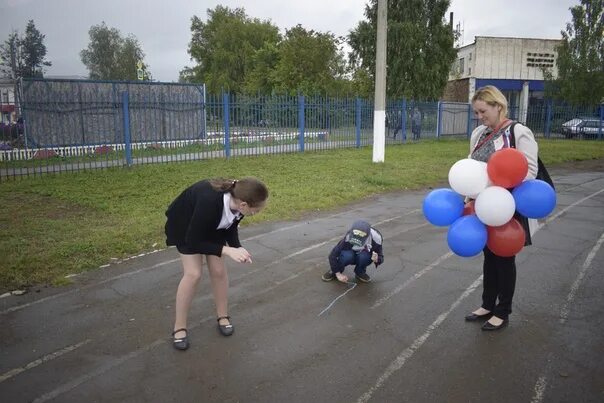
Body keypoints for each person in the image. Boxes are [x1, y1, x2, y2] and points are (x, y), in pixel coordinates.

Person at [465, 85, 538, 331]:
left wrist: (500, 184)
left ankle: (502, 311)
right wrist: (469, 195)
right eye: (476, 112)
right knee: (489, 256)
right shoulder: (479, 133)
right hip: (482, 205)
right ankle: (487, 304)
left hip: (508, 205)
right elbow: (471, 168)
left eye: (483, 111)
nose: (480, 116)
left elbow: (530, 170)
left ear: (498, 106)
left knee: (504, 258)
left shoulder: (518, 132)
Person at [165, 177, 269, 350]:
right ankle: (179, 327)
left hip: (212, 225)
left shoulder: (239, 202)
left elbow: (231, 226)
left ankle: (223, 316)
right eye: (256, 210)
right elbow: (194, 242)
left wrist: (238, 247)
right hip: (185, 229)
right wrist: (228, 250)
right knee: (193, 274)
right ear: (243, 204)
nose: (256, 213)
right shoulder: (208, 202)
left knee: (219, 270)